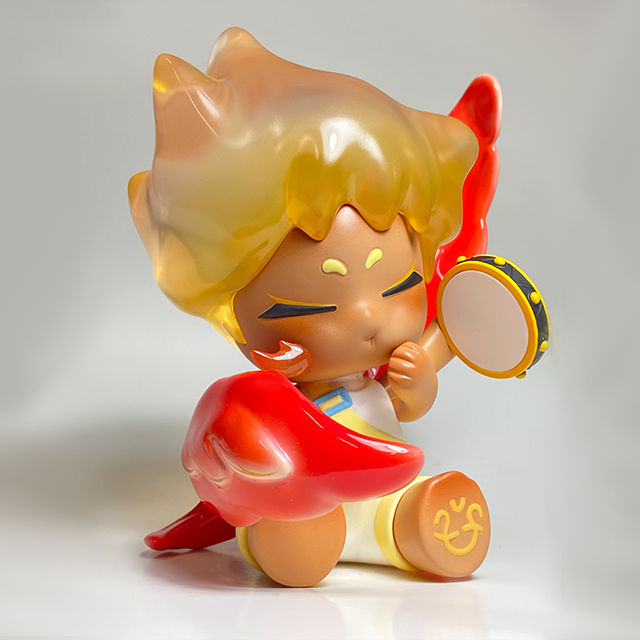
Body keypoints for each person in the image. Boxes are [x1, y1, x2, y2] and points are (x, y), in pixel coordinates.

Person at [129, 27, 501, 587]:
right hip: (299, 495)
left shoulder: (381, 377)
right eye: (316, 302)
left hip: (382, 496)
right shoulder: (272, 403)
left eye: (399, 285)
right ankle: (294, 538)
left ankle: (418, 526)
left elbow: (409, 406)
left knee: (403, 509)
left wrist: (418, 382)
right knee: (287, 511)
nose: (367, 316)